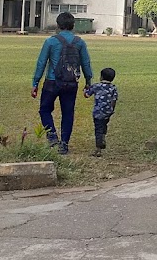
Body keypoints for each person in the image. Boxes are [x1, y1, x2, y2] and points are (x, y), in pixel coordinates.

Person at [31, 12, 93, 154]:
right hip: (71, 82)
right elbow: (86, 63)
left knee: (45, 109)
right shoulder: (80, 42)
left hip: (52, 81)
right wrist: (88, 81)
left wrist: (35, 83)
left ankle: (52, 136)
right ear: (73, 25)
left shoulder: (51, 42)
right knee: (68, 113)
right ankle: (64, 144)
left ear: (58, 25)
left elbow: (41, 63)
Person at [84, 68, 118, 157]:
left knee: (98, 129)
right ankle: (103, 136)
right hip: (108, 112)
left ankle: (98, 149)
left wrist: (86, 89)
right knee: (103, 126)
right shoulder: (113, 88)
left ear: (101, 77)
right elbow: (114, 100)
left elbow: (87, 95)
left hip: (98, 112)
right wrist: (111, 110)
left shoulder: (96, 86)